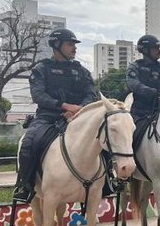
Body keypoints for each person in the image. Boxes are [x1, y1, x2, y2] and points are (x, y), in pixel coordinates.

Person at [12, 29, 97, 203]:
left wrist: (79, 109)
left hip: (78, 117)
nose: (74, 48)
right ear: (56, 45)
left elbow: (92, 93)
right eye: (70, 44)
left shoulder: (81, 71)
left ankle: (107, 181)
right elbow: (38, 95)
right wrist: (63, 106)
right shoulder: (41, 69)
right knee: (29, 142)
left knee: (102, 138)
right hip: (48, 116)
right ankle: (25, 184)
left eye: (74, 44)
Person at [126, 34, 160, 138]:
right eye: (155, 48)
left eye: (159, 48)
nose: (159, 51)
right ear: (145, 50)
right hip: (140, 114)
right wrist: (158, 93)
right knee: (129, 137)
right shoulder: (135, 67)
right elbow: (135, 86)